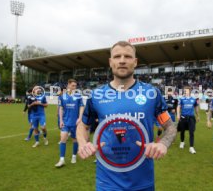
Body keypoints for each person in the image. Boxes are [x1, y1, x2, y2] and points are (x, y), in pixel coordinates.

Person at [76, 41, 177, 191]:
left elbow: (170, 127)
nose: (122, 60)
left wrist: (163, 144)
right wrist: (83, 144)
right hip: (107, 182)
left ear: (135, 62)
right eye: (117, 56)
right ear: (111, 62)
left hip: (143, 182)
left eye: (128, 56)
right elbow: (83, 125)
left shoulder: (151, 93)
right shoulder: (96, 95)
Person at [55, 79, 84, 167]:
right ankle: (62, 159)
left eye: (75, 86)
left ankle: (74, 156)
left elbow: (82, 106)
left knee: (75, 140)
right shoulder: (62, 96)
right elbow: (61, 108)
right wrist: (61, 120)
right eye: (73, 85)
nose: (74, 87)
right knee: (62, 139)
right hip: (66, 122)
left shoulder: (78, 95)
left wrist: (80, 118)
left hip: (75, 122)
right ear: (68, 85)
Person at [177, 86, 200, 154]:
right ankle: (182, 142)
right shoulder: (181, 99)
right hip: (183, 117)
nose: (185, 91)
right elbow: (178, 107)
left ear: (190, 91)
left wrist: (198, 116)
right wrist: (178, 114)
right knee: (182, 131)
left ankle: (191, 147)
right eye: (184, 90)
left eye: (186, 90)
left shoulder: (193, 99)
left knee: (191, 132)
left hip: (191, 118)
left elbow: (196, 107)